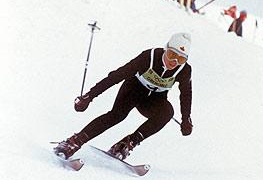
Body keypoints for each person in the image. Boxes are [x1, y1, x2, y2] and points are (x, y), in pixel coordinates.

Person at [54, 33, 194, 160]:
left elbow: (186, 94)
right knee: (117, 115)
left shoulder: (185, 70)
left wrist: (186, 119)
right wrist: (89, 96)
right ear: (165, 49)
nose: (174, 62)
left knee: (167, 113)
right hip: (133, 90)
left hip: (154, 100)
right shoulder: (149, 57)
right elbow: (117, 75)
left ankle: (127, 144)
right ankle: (74, 142)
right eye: (171, 55)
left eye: (180, 59)